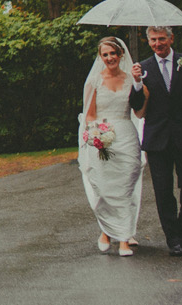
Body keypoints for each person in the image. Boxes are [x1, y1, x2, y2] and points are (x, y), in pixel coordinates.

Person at [130, 25, 182, 256]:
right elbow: (136, 106)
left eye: (162, 39)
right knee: (163, 190)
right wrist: (136, 83)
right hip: (157, 139)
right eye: (153, 40)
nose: (158, 44)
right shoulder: (142, 69)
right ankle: (172, 237)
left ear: (171, 38)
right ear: (148, 42)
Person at [79, 36, 146, 256]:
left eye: (113, 53)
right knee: (105, 187)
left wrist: (139, 84)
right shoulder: (94, 81)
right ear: (101, 57)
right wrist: (95, 137)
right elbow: (89, 114)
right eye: (105, 54)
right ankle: (107, 231)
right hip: (102, 135)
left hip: (126, 135)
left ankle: (124, 238)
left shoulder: (131, 80)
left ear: (121, 55)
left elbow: (139, 112)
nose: (110, 58)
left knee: (126, 185)